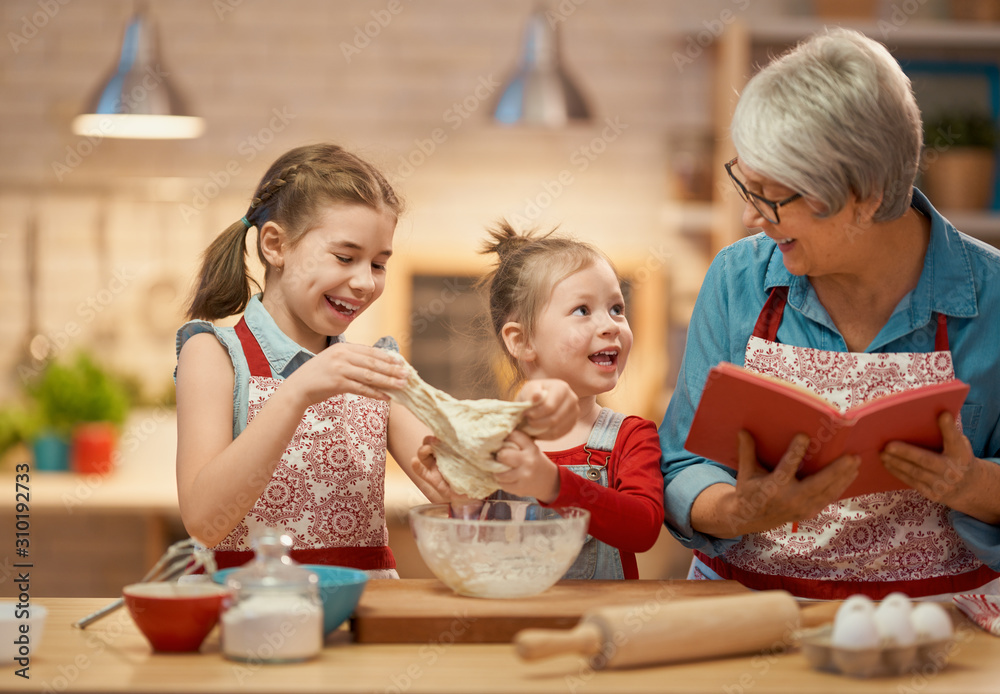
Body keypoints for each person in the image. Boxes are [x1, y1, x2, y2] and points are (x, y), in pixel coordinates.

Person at [659, 28, 1000, 600]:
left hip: (940, 624)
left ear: (865, 196)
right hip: (751, 614)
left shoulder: (991, 296)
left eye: (772, 195)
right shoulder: (737, 280)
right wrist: (737, 509)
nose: (750, 217)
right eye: (748, 182)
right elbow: (681, 464)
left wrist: (971, 483)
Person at [174, 144, 577, 578]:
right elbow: (204, 521)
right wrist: (297, 392)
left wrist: (525, 418)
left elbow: (461, 493)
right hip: (253, 606)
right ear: (275, 245)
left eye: (379, 264)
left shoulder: (378, 369)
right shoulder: (215, 354)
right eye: (345, 257)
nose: (365, 282)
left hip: (366, 609)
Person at [419, 221, 665, 580]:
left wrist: (552, 483)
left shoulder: (631, 437)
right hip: (509, 624)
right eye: (582, 310)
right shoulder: (489, 440)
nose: (611, 325)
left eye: (616, 308)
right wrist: (460, 500)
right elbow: (473, 551)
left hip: (598, 629)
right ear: (521, 341)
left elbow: (643, 529)